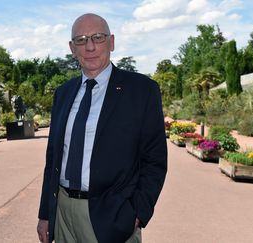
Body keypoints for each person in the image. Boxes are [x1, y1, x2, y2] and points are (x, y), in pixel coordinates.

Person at [37, 13, 167, 243]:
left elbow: (155, 161)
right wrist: (46, 213)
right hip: (63, 213)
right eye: (81, 40)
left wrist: (137, 213)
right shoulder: (63, 94)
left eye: (97, 37)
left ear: (112, 42)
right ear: (72, 48)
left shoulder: (142, 90)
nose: (89, 47)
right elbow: (53, 159)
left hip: (112, 218)